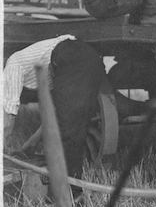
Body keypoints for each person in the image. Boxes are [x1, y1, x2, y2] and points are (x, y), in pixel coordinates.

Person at [3, 36, 106, 190]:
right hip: (89, 58)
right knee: (72, 128)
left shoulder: (13, 65)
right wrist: (29, 145)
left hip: (70, 56)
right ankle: (71, 194)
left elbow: (8, 121)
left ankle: (67, 197)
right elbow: (54, 115)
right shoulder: (39, 73)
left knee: (67, 134)